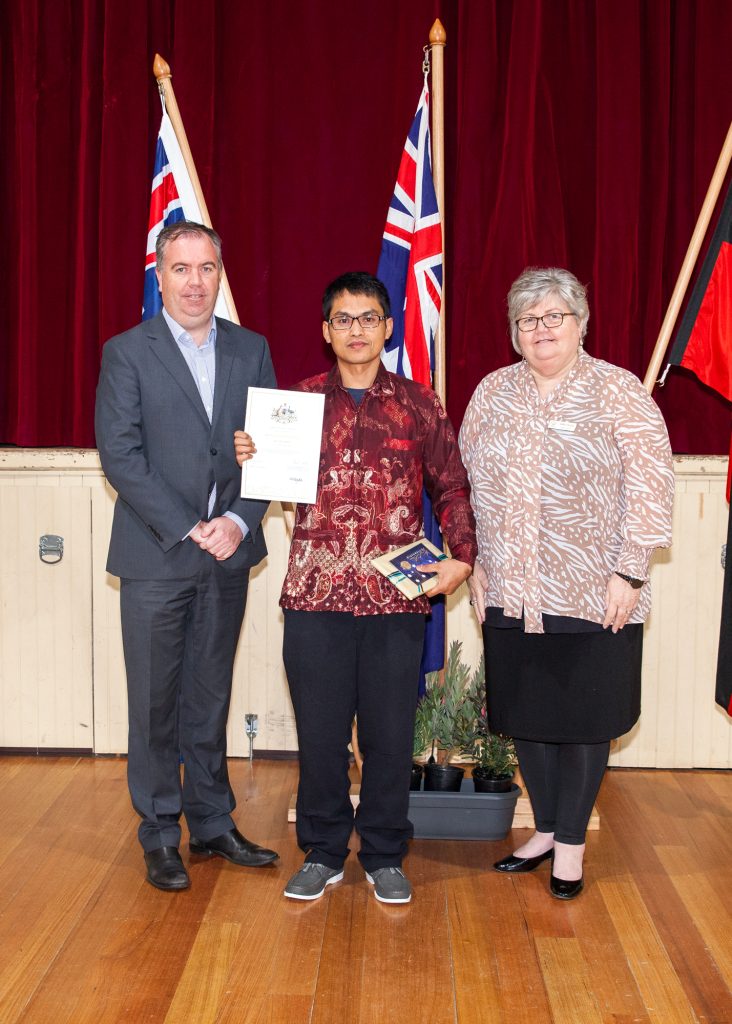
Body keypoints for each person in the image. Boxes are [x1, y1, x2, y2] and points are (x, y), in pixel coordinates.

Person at [236, 271, 477, 904]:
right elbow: (268, 485)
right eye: (343, 319)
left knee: (390, 734)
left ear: (388, 327)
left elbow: (451, 486)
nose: (356, 330)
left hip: (396, 599)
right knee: (319, 734)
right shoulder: (296, 404)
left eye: (368, 318)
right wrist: (251, 453)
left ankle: (385, 854)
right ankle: (321, 852)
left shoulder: (420, 404)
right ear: (326, 331)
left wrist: (462, 557)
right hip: (315, 594)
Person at [458, 267, 674, 899]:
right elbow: (466, 487)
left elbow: (651, 488)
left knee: (584, 718)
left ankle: (572, 846)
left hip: (594, 588)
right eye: (528, 319)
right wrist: (475, 566)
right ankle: (547, 828)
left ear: (581, 323)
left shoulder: (620, 391)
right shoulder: (492, 393)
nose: (542, 328)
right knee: (528, 716)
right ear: (514, 333)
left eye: (555, 316)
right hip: (509, 588)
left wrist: (630, 570)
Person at [95, 221, 279, 891]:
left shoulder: (250, 348)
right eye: (181, 269)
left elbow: (270, 453)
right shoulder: (127, 352)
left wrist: (238, 519)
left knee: (209, 697)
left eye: (206, 269)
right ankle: (158, 832)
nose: (195, 282)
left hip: (227, 555)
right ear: (160, 274)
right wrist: (190, 526)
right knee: (155, 705)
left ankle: (211, 823)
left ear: (220, 274)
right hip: (156, 557)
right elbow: (120, 455)